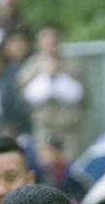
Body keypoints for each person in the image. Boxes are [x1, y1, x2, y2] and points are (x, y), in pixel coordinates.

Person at [17, 22, 86, 158]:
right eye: (45, 38)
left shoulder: (73, 64)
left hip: (69, 126)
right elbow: (23, 95)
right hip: (44, 126)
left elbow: (83, 95)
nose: (49, 42)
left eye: (53, 38)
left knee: (69, 166)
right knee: (45, 166)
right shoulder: (31, 66)